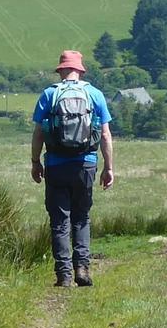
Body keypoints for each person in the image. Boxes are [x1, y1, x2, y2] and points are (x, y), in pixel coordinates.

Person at [31, 50, 114, 287]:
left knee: (59, 221)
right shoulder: (95, 95)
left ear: (61, 71)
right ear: (80, 70)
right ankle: (82, 269)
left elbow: (38, 133)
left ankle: (64, 275)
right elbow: (106, 135)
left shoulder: (49, 94)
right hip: (85, 164)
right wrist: (108, 167)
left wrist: (36, 162)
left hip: (56, 165)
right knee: (82, 218)